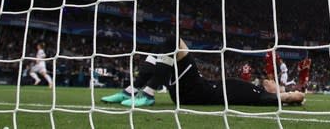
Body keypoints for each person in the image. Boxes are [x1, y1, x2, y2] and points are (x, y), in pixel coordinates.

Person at [102, 37, 305, 107]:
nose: (270, 81)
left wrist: (285, 95)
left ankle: (148, 93)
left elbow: (298, 95)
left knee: (173, 40)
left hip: (196, 91)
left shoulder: (265, 97)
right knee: (165, 46)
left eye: (275, 84)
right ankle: (131, 90)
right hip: (196, 88)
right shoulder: (256, 88)